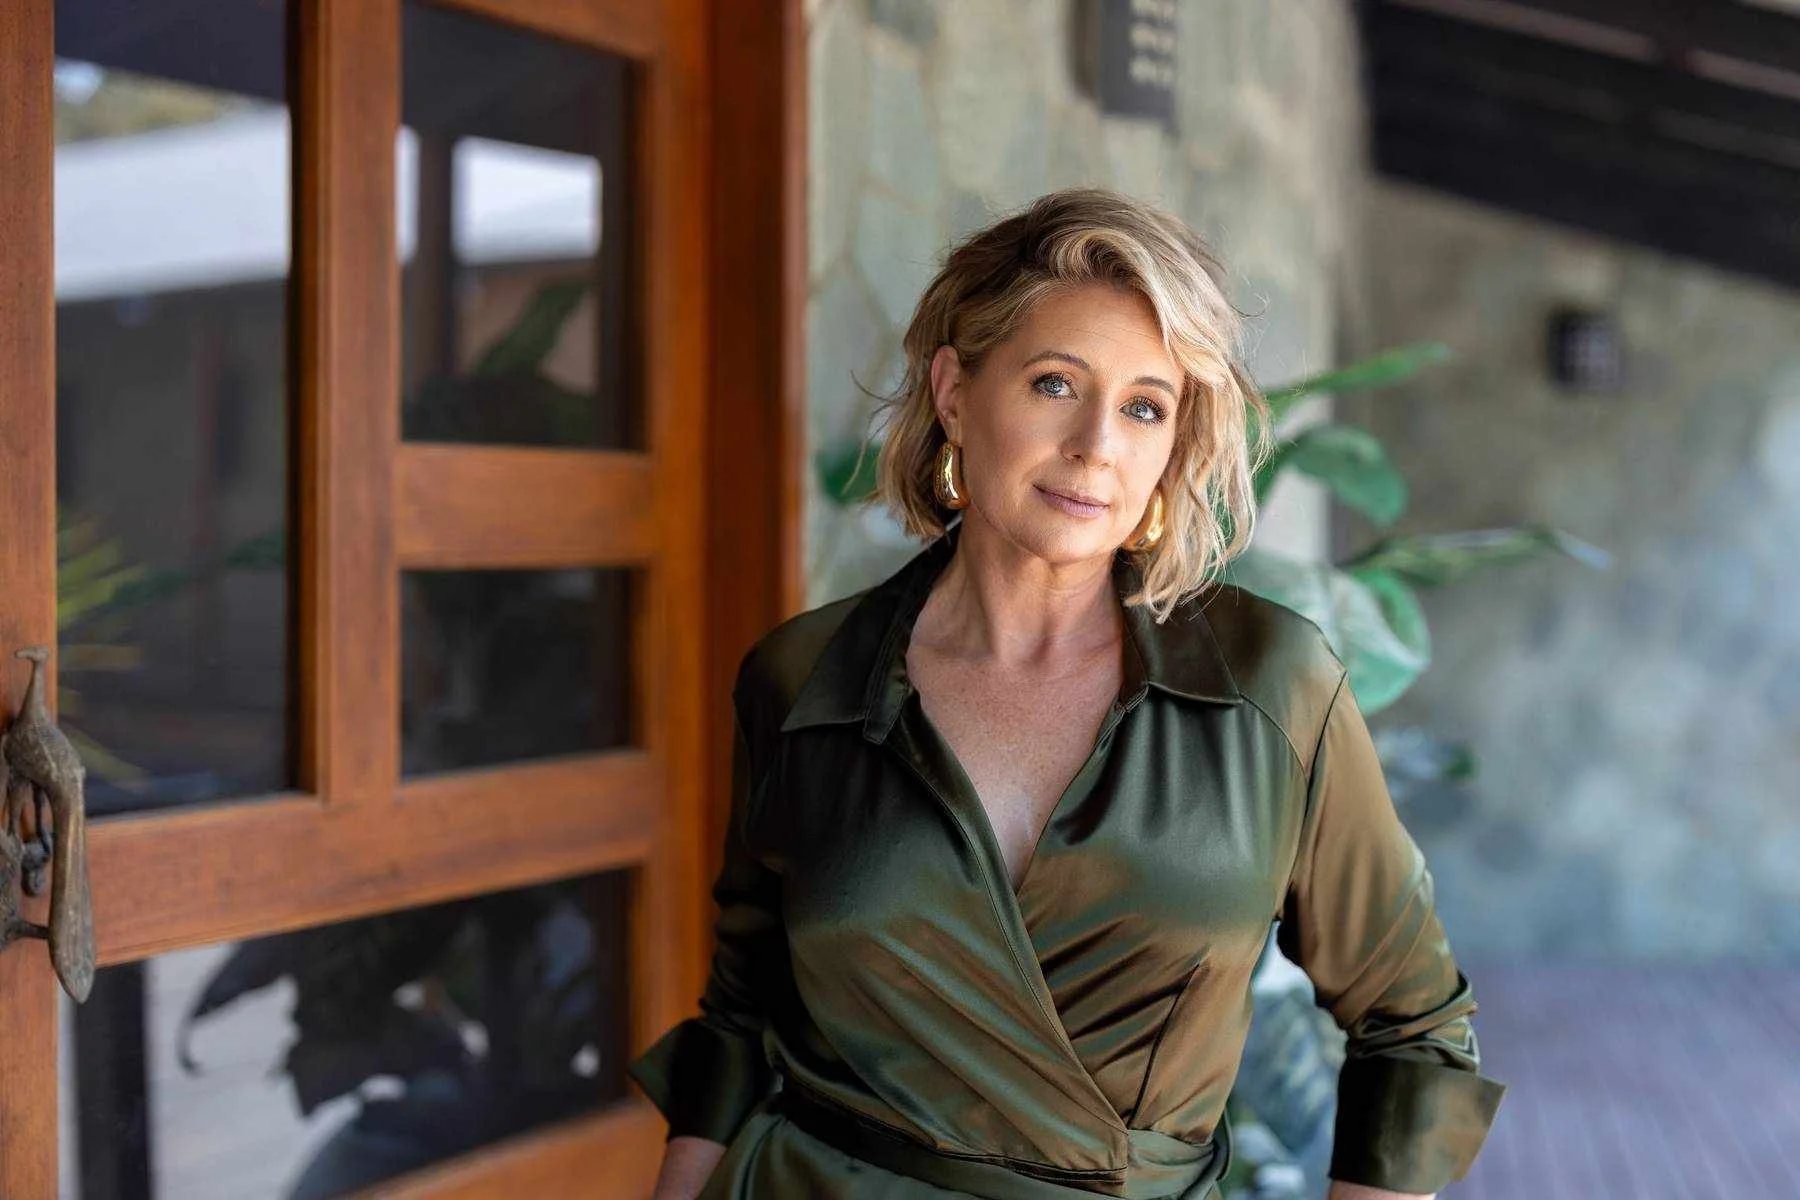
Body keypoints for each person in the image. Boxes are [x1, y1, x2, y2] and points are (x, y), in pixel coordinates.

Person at [630, 187, 1505, 1200]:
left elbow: (1415, 1025)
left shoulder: (1271, 685)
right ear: (956, 392)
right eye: (1055, 384)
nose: (1098, 445)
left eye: (1145, 406)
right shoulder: (801, 681)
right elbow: (741, 1011)